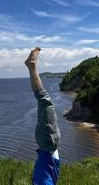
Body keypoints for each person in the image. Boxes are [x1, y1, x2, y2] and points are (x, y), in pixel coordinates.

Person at [25, 47, 61, 185]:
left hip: (48, 143)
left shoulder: (43, 182)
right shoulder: (43, 181)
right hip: (47, 144)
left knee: (44, 100)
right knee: (44, 101)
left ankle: (32, 65)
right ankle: (31, 65)